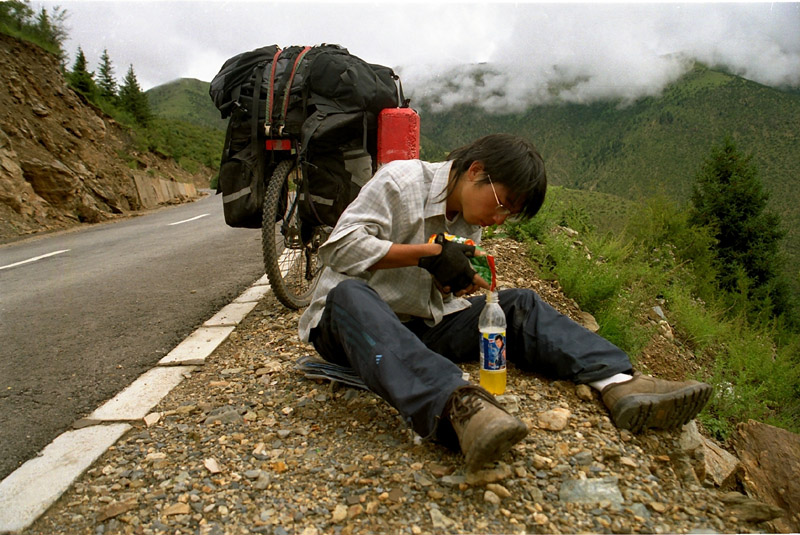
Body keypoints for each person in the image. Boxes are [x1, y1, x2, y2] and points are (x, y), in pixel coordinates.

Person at [298, 133, 712, 473]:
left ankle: (618, 383)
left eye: (508, 215)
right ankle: (458, 410)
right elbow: (340, 250)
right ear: (476, 171)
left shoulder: (469, 218)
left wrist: (450, 282)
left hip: (417, 327)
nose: (499, 221)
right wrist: (427, 254)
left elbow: (434, 285)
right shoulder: (401, 182)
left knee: (519, 304)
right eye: (501, 205)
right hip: (349, 326)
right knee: (349, 294)